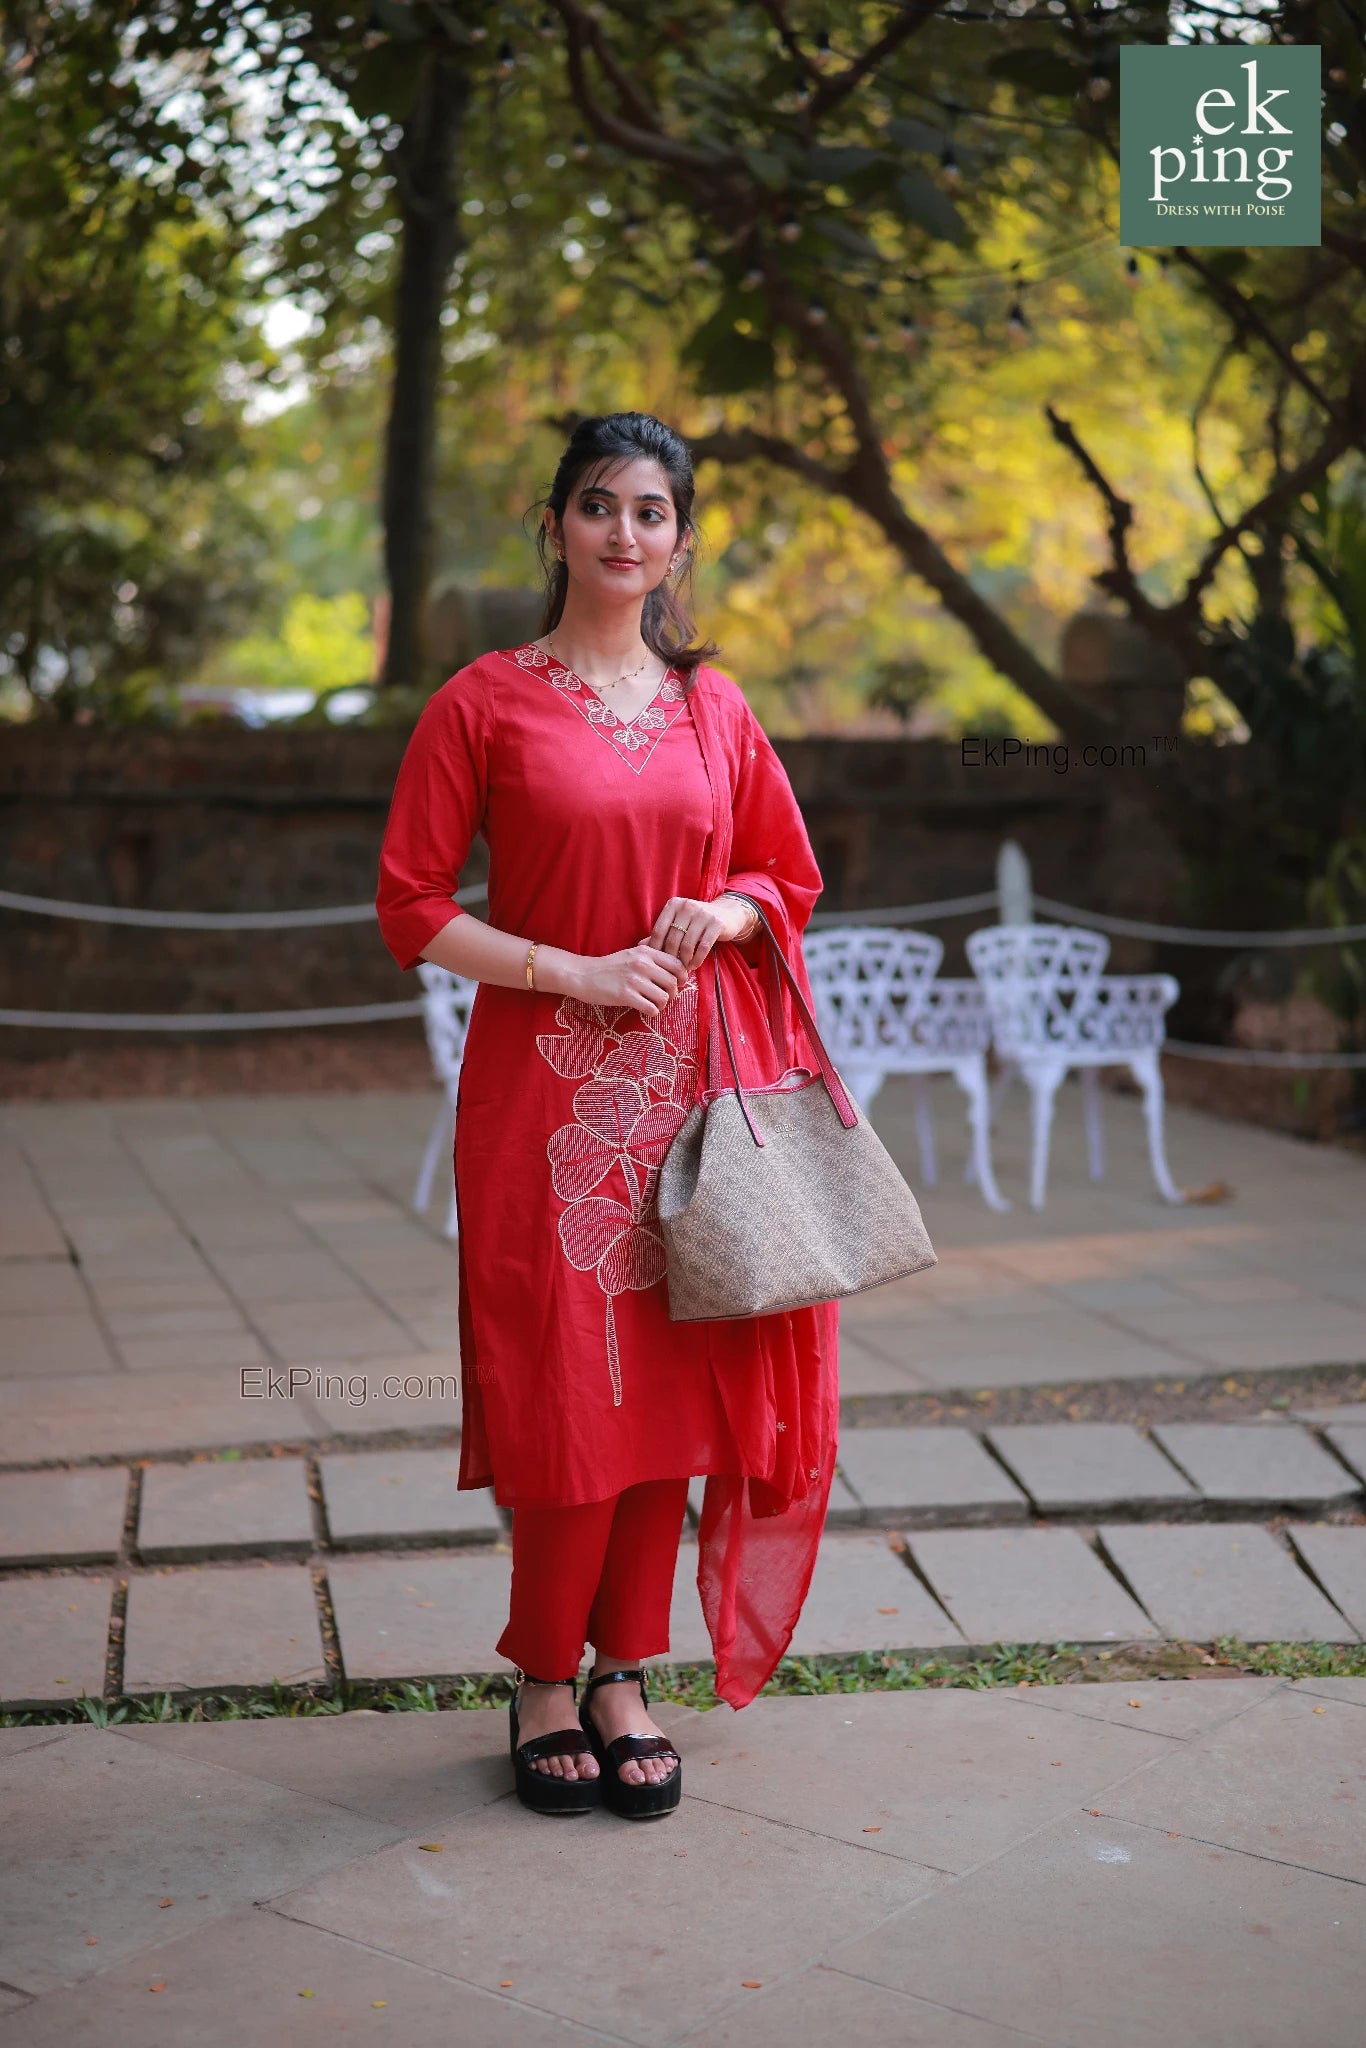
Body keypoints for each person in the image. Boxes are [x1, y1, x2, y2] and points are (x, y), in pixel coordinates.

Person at [375, 411, 839, 1820]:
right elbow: (410, 907)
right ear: (556, 523)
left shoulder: (717, 708)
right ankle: (536, 1677)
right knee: (570, 1397)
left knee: (678, 1395)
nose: (623, 534)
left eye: (650, 511)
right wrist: (567, 967)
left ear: (678, 541)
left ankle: (624, 1672)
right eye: (598, 505)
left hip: (695, 1102)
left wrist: (733, 904)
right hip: (544, 1097)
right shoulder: (482, 702)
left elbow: (787, 876)